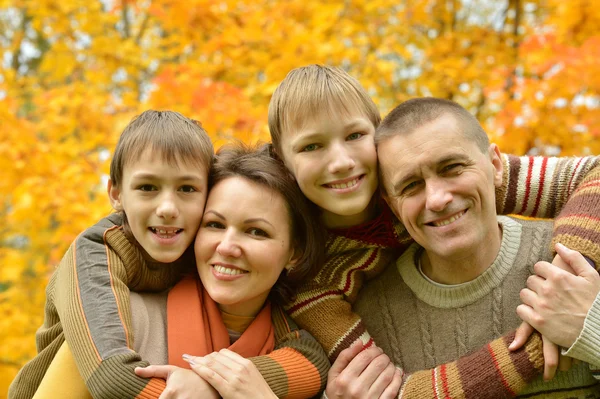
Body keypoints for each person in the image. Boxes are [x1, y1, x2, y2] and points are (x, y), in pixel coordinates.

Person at [267, 64, 600, 397]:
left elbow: (592, 172)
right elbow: (393, 392)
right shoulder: (309, 274)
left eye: (354, 136)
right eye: (310, 146)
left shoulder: (459, 178)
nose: (340, 161)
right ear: (284, 164)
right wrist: (535, 344)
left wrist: (569, 277)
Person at [9, 114, 329, 399]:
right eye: (215, 224)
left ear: (295, 253)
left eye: (257, 231)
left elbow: (311, 358)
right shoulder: (121, 305)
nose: (228, 246)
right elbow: (109, 376)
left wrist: (226, 385)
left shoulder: (294, 336)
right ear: (116, 194)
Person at [347, 97, 600, 398]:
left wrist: (593, 331)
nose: (437, 199)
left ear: (495, 165)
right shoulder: (368, 319)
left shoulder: (582, 266)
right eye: (411, 185)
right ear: (392, 206)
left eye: (452, 167)